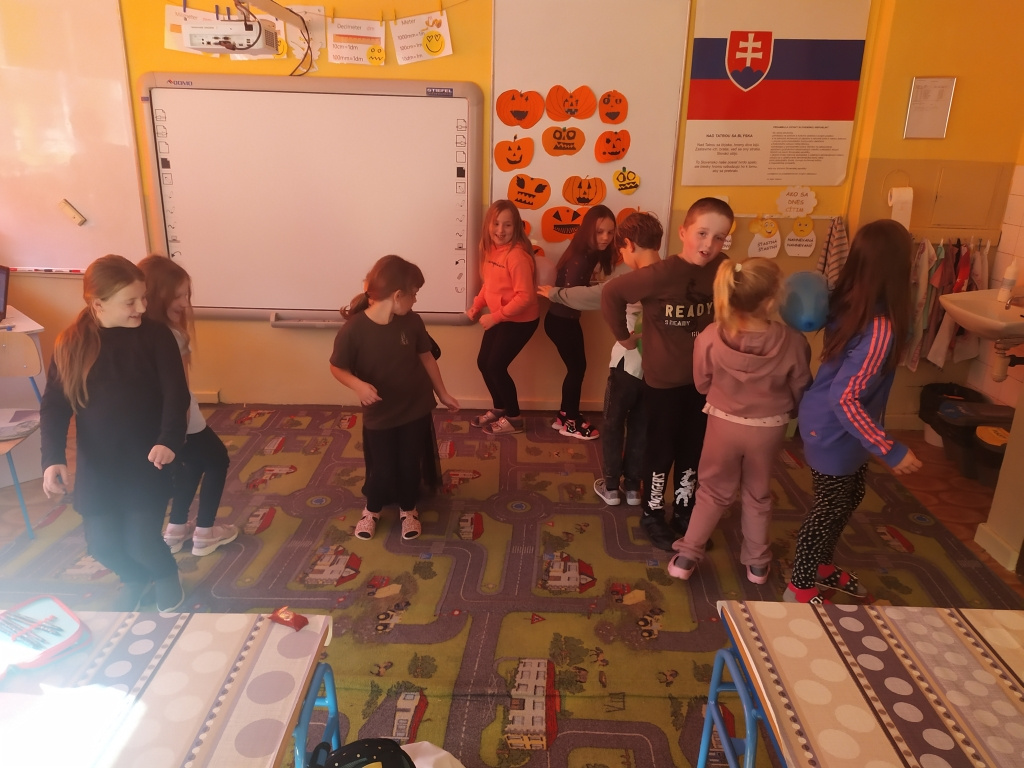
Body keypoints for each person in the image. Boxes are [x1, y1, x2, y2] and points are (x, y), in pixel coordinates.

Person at [41, 255, 191, 612]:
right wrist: (52, 459)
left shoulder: (155, 336)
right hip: (99, 465)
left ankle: (165, 575)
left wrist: (169, 439)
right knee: (102, 545)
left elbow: (177, 394)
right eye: (130, 302)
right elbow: (55, 406)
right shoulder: (70, 344)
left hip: (147, 460)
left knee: (142, 541)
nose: (142, 307)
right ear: (98, 304)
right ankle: (134, 578)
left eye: (143, 297)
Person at [786, 219, 923, 604]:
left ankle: (822, 566)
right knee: (829, 508)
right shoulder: (878, 328)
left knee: (850, 496)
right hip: (834, 428)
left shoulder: (853, 302)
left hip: (846, 428)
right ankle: (799, 586)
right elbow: (844, 398)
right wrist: (890, 448)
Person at [667, 257, 812, 584]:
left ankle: (686, 558)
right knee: (758, 493)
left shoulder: (709, 336)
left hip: (723, 423)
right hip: (768, 427)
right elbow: (801, 385)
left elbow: (701, 382)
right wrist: (791, 411)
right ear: (772, 301)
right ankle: (758, 565)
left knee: (712, 491)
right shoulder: (794, 341)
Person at [601, 197, 734, 550]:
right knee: (660, 452)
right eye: (702, 233)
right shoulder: (659, 274)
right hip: (662, 384)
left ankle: (685, 510)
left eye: (719, 237)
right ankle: (652, 513)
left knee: (693, 450)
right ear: (684, 232)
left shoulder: (722, 268)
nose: (709, 244)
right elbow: (612, 294)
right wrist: (624, 338)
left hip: (703, 383)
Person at [330, 255, 459, 541]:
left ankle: (408, 508)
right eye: (415, 293)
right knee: (382, 467)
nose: (416, 299)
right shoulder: (353, 330)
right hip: (381, 413)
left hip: (416, 406)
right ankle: (372, 510)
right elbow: (337, 367)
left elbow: (426, 357)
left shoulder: (412, 321)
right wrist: (358, 386)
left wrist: (443, 393)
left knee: (410, 462)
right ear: (398, 295)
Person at [540, 211, 664, 506]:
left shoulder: (630, 282)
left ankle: (610, 487)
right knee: (641, 426)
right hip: (657, 370)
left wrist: (554, 293)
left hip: (626, 365)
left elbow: (593, 295)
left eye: (621, 246)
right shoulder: (673, 277)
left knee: (613, 424)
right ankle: (632, 488)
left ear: (629, 245)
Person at [138, 255, 238, 557]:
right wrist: (179, 430)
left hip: (161, 422)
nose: (184, 303)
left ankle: (175, 528)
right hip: (181, 420)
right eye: (178, 295)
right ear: (156, 294)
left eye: (187, 295)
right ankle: (205, 532)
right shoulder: (171, 336)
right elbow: (177, 390)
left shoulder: (139, 331)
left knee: (192, 464)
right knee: (217, 459)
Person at [541, 204, 617, 440]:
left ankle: (565, 415)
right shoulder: (581, 257)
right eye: (599, 232)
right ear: (588, 231)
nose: (605, 237)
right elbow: (571, 295)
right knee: (577, 369)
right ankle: (572, 422)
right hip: (562, 321)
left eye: (610, 232)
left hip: (562, 320)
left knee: (576, 368)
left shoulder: (586, 254)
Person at [467, 200, 540, 435]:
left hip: (521, 320)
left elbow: (525, 297)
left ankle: (514, 418)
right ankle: (500, 407)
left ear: (516, 227)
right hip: (501, 317)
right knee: (484, 363)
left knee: (496, 366)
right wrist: (477, 305)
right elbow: (489, 286)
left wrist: (495, 317)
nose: (500, 230)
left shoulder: (516, 256)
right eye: (496, 224)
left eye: (507, 225)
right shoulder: (491, 251)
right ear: (488, 225)